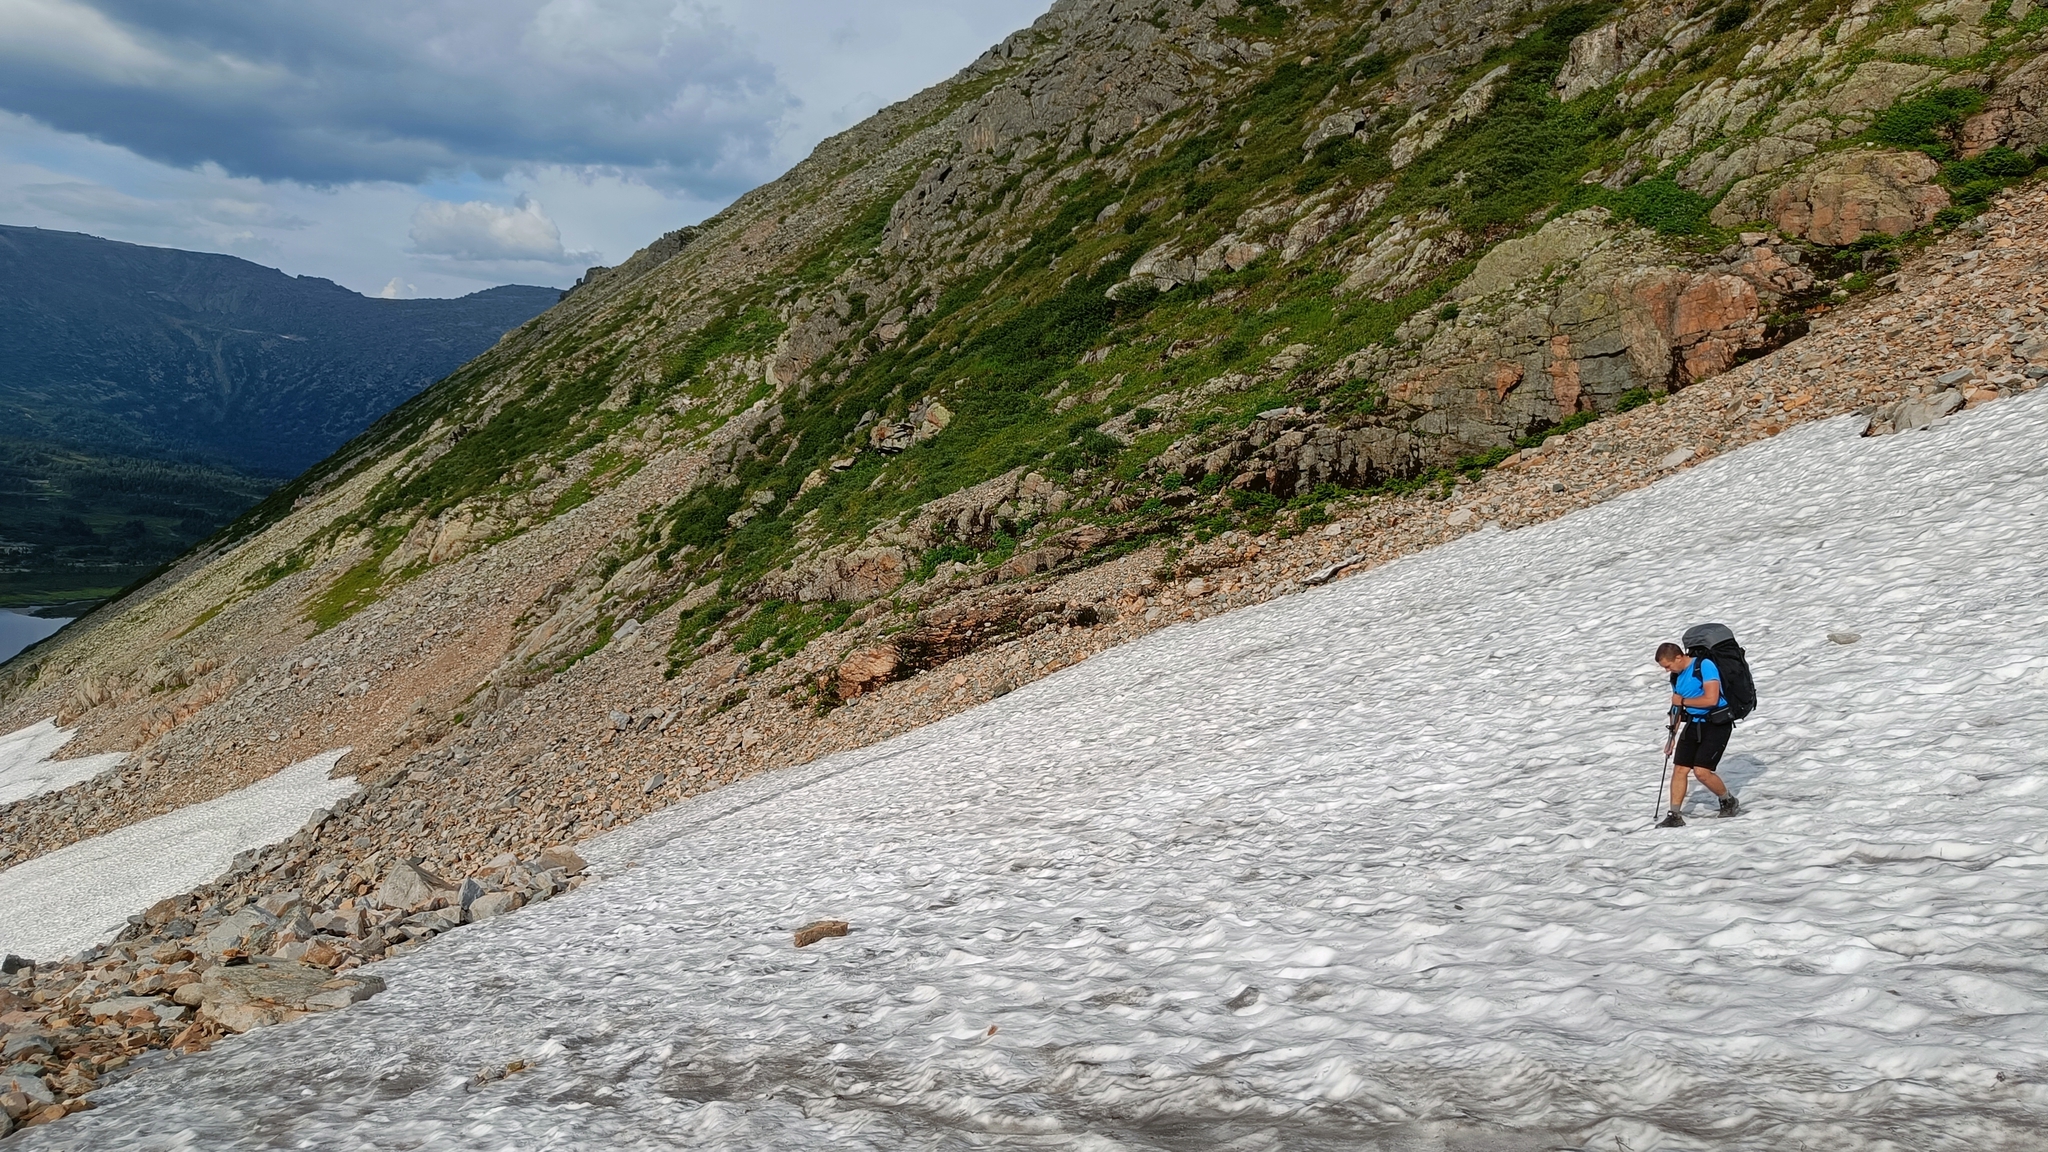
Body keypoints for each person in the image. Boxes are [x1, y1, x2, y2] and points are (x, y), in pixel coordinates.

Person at [1655, 641, 1739, 827]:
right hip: (1694, 723)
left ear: (1679, 657)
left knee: (1702, 772)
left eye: (1668, 666)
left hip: (1716, 723)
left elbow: (1711, 699)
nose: (1667, 671)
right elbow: (1676, 707)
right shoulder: (1676, 677)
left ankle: (1728, 800)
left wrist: (1683, 701)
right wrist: (1672, 738)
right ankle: (1674, 815)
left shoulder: (1705, 666)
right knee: (1680, 769)